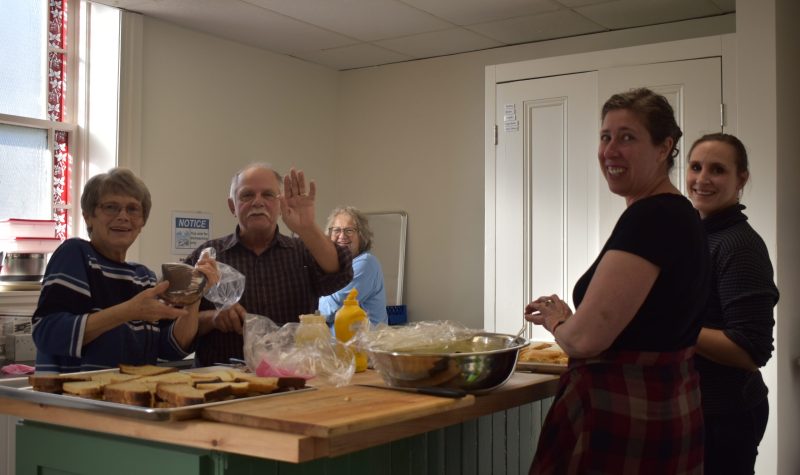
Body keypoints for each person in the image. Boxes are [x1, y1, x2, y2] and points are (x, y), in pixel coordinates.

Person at [523, 88, 710, 474]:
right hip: (663, 405)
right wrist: (575, 319)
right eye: (605, 137)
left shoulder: (653, 217)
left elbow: (588, 340)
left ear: (664, 147)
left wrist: (558, 321)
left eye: (627, 137)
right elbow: (642, 323)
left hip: (626, 410)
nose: (610, 150)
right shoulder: (678, 214)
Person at [32, 168, 218, 373]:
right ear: (88, 217)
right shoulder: (76, 255)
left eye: (133, 209)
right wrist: (130, 311)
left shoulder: (143, 277)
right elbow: (47, 333)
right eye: (111, 207)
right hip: (74, 400)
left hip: (130, 400)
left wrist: (194, 296)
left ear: (142, 222)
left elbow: (171, 348)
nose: (123, 216)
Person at [184, 163, 353, 367]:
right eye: (247, 195)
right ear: (232, 206)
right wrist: (212, 318)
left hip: (291, 382)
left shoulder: (303, 252)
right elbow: (172, 325)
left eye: (268, 195)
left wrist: (307, 228)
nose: (258, 202)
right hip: (220, 385)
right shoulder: (207, 257)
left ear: (281, 204)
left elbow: (341, 271)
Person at [685, 133, 778, 475]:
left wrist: (672, 324)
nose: (702, 179)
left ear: (742, 179)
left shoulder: (739, 246)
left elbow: (750, 351)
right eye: (696, 167)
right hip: (695, 409)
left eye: (718, 170)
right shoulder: (699, 234)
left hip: (725, 416)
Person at [318, 206, 388, 327]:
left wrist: (314, 297)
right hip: (339, 343)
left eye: (349, 230)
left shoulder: (366, 263)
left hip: (365, 344)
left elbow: (329, 310)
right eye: (336, 230)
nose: (342, 236)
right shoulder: (335, 265)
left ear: (361, 236)